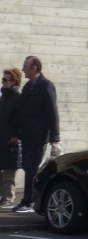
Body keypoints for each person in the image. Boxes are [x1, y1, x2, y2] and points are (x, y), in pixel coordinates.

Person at [12, 55, 59, 214]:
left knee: (31, 169)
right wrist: (16, 132)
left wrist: (54, 137)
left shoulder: (46, 86)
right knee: (27, 168)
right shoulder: (28, 87)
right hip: (27, 136)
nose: (23, 69)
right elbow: (20, 112)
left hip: (38, 137)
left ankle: (28, 201)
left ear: (34, 68)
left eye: (25, 67)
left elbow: (52, 113)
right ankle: (29, 200)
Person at [0, 67, 21, 209]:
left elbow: (20, 119)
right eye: (2, 79)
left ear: (13, 81)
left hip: (11, 139)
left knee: (9, 171)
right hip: (1, 137)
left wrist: (16, 135)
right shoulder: (3, 97)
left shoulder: (17, 98)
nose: (2, 82)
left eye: (5, 80)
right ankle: (3, 197)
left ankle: (8, 198)